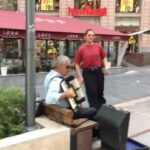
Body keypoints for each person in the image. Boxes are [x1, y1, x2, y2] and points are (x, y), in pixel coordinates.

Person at [44, 55, 97, 119]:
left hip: (60, 110)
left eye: (70, 67)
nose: (69, 69)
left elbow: (62, 88)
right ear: (59, 66)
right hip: (66, 111)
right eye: (67, 67)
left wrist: (76, 86)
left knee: (87, 109)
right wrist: (65, 94)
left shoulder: (49, 75)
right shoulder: (56, 80)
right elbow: (49, 99)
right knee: (94, 110)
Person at [74, 29, 110, 110]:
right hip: (88, 73)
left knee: (100, 91)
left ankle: (102, 109)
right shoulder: (81, 48)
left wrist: (106, 67)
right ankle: (94, 111)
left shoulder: (98, 46)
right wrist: (80, 77)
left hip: (98, 71)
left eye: (93, 35)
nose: (91, 37)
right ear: (85, 37)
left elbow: (104, 57)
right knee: (92, 93)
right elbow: (76, 63)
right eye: (89, 35)